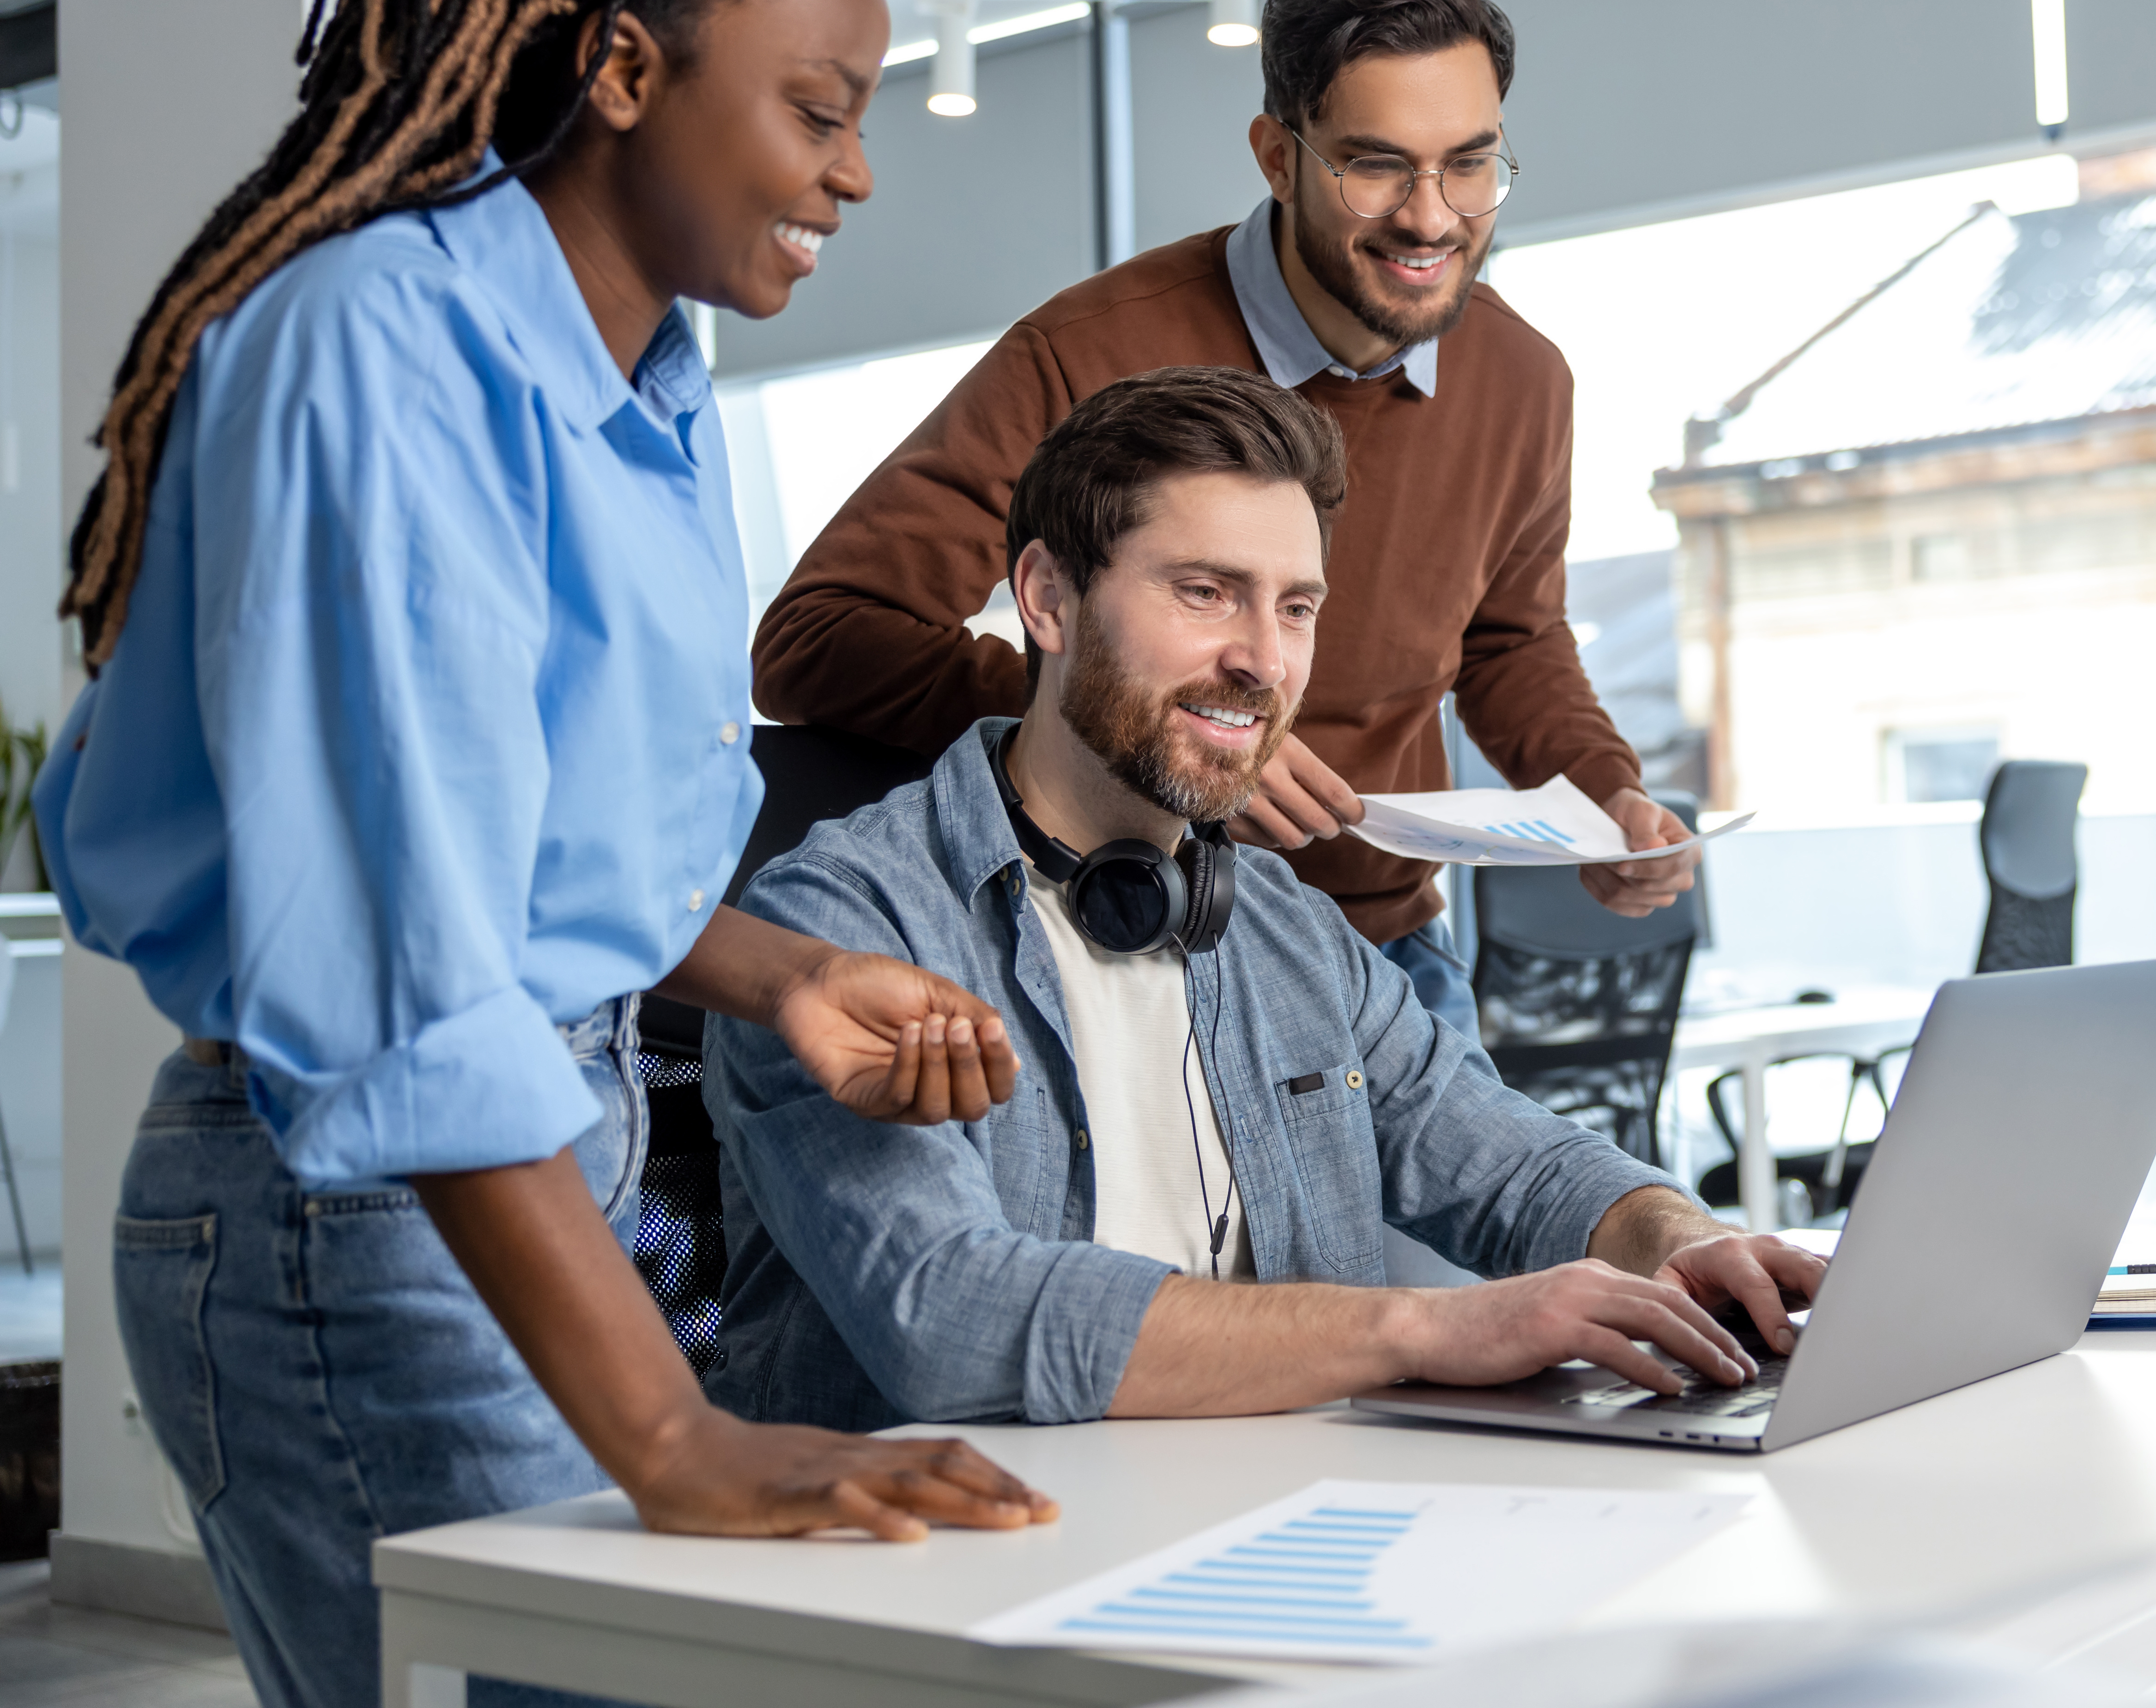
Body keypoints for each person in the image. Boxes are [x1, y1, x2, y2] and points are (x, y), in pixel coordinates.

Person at [38, 0, 1047, 1708]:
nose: (857, 168)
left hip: (533, 1158)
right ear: (621, 68)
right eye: (817, 107)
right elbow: (408, 969)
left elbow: (516, 853)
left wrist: (772, 976)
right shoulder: (373, 352)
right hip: (363, 1203)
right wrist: (670, 1439)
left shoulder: (652, 389)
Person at [705, 368, 1823, 1426]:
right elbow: (947, 1316)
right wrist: (1421, 1326)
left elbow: (1516, 1162)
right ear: (1047, 598)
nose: (1263, 659)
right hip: (949, 1568)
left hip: (1273, 1517)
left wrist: (1679, 1240)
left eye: (1296, 607)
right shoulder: (841, 921)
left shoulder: (1284, 923)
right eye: (1205, 592)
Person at [748, 0, 1693, 1040]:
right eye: (1375, 165)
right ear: (1277, 157)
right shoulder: (1086, 351)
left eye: (1470, 164)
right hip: (1133, 938)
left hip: (1387, 956)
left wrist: (1602, 792)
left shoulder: (1526, 381)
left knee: (1538, 1206)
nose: (1433, 218)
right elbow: (817, 638)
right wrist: (1158, 735)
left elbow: (1512, 642)